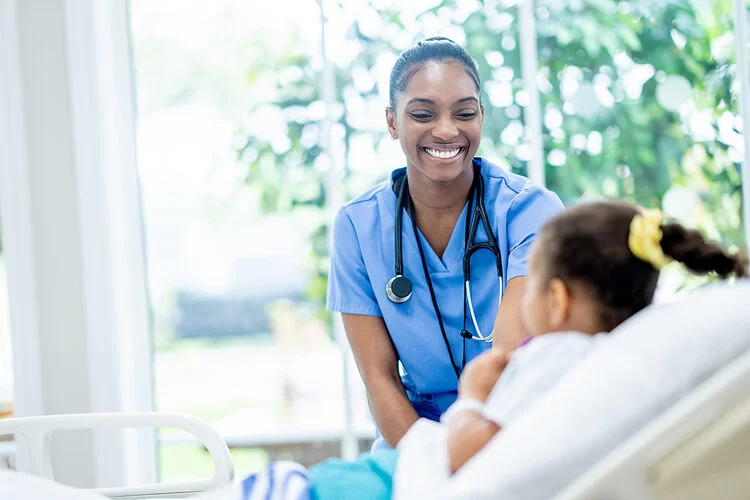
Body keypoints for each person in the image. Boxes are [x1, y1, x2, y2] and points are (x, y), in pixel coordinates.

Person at [326, 37, 563, 451]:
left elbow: (510, 363)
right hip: (410, 437)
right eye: (422, 114)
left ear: (482, 117)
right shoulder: (357, 226)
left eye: (465, 113)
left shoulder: (529, 212)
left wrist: (472, 459)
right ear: (392, 121)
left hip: (511, 426)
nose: (447, 130)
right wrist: (428, 466)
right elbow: (379, 379)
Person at [443, 200, 750, 473]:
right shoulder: (628, 365)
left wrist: (473, 395)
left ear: (556, 300)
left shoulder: (553, 357)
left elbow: (469, 457)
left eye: (531, 286)